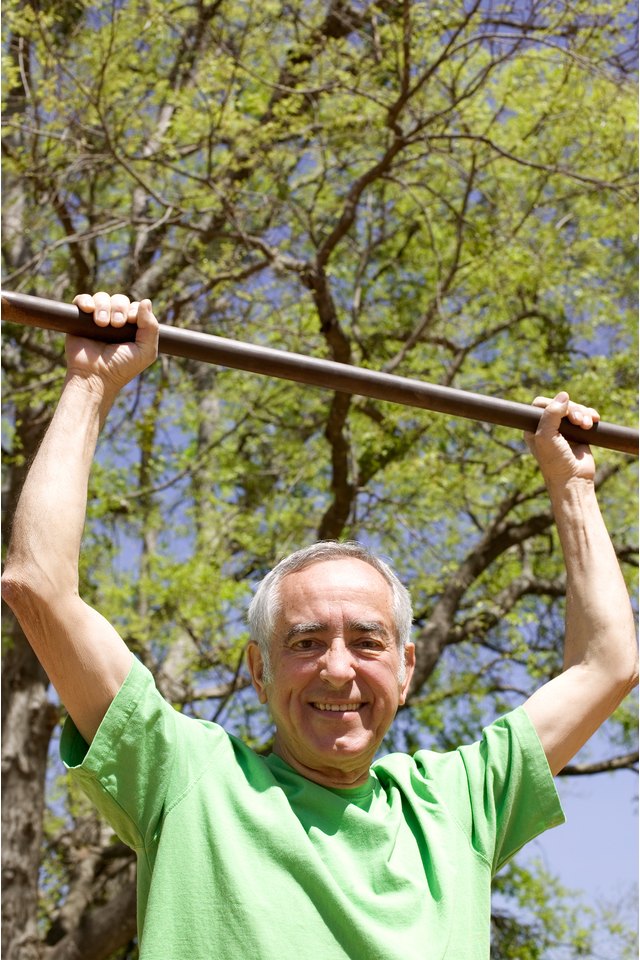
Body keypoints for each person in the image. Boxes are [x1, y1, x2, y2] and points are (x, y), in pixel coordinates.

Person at [2, 292, 637, 960]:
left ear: (406, 665)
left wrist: (571, 488)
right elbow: (38, 585)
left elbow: (608, 664)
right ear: (258, 669)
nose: (338, 668)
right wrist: (91, 383)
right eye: (306, 643)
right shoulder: (186, 777)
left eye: (367, 641)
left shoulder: (458, 805)